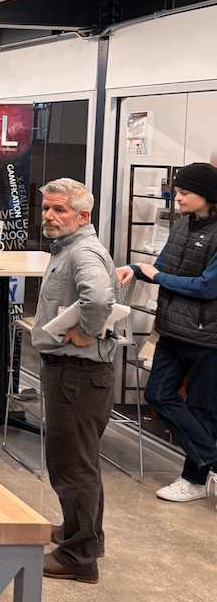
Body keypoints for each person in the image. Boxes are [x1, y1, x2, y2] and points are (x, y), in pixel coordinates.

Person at [30, 178, 117, 584]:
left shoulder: (82, 251)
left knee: (72, 466)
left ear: (83, 216)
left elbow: (97, 298)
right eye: (46, 208)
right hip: (77, 375)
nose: (49, 215)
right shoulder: (70, 248)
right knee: (80, 461)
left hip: (76, 376)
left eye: (59, 210)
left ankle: (79, 557)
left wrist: (86, 330)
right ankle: (80, 534)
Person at [117, 162, 217, 506]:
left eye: (185, 192)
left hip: (207, 337)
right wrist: (134, 269)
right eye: (177, 192)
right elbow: (158, 268)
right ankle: (212, 461)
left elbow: (208, 287)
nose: (178, 198)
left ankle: (194, 480)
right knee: (158, 394)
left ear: (207, 195)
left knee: (203, 409)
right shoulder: (181, 225)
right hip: (171, 329)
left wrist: (157, 277)